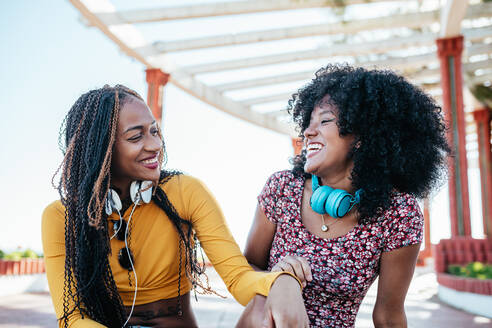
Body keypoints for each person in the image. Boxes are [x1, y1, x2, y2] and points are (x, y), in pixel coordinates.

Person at [42, 85, 308, 328]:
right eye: (136, 137)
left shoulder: (185, 191)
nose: (155, 145)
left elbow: (238, 279)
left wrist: (279, 281)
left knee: (263, 303)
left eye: (154, 131)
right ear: (102, 149)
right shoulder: (60, 217)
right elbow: (72, 318)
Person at [238, 65, 450, 328]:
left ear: (362, 136)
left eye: (325, 121)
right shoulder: (282, 188)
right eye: (308, 122)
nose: (307, 132)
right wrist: (279, 279)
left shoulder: (398, 215)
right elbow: (246, 270)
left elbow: (389, 315)